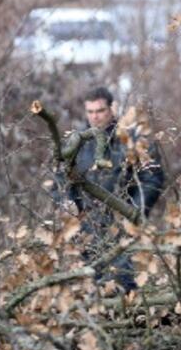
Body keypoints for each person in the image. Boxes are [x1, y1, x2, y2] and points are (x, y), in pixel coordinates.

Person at [60, 86, 165, 291]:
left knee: (124, 280)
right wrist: (69, 206)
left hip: (121, 222)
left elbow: (152, 178)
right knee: (89, 283)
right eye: (90, 112)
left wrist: (134, 212)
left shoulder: (131, 138)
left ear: (112, 109)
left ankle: (134, 318)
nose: (95, 117)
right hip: (86, 225)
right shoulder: (76, 142)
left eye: (100, 111)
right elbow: (61, 179)